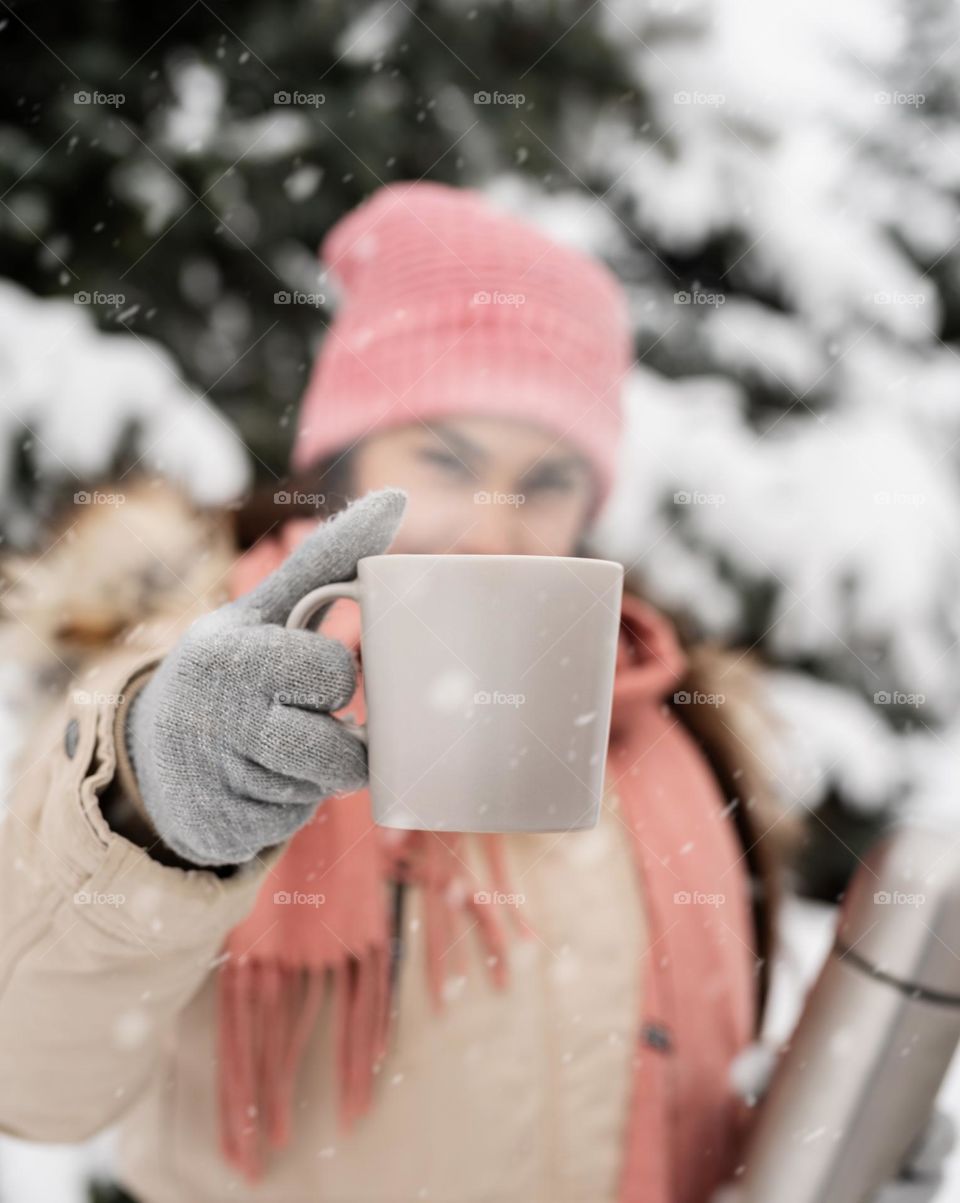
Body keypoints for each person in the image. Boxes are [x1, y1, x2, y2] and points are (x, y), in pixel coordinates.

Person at [0, 182, 940, 1203]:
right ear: (345, 469)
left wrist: (820, 1145)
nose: (493, 529)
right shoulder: (187, 689)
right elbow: (30, 1084)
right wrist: (153, 813)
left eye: (545, 481)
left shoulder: (670, 725)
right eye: (445, 461)